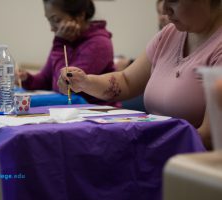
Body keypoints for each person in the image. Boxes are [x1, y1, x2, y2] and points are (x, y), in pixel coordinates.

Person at [58, 0, 222, 150]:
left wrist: (144, 144)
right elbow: (126, 81)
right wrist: (84, 82)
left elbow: (208, 137)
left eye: (173, 0)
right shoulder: (169, 34)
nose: (164, 10)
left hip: (189, 168)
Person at [15, 0, 116, 105]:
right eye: (49, 20)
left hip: (98, 113)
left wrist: (59, 43)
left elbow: (64, 87)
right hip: (73, 110)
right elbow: (45, 79)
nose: (52, 28)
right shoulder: (65, 40)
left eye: (56, 20)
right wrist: (26, 78)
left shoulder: (99, 43)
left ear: (80, 15)